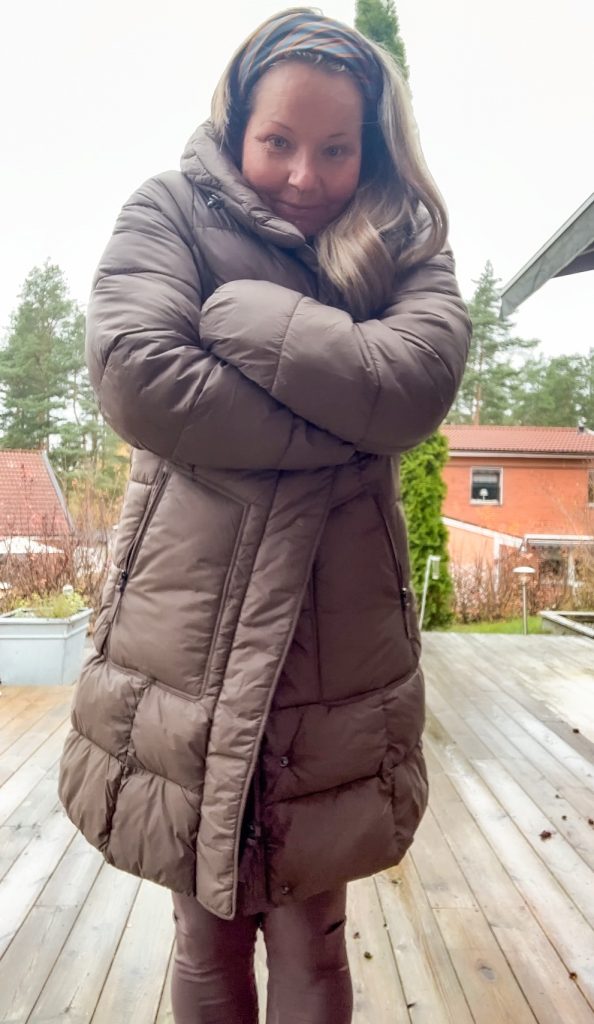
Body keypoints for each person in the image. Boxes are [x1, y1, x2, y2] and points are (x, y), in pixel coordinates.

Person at [58, 7, 471, 1023]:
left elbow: (415, 383)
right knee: (203, 936)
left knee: (315, 940)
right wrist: (346, 422)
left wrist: (248, 318)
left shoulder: (405, 243)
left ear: (373, 148)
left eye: (336, 149)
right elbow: (141, 376)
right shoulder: (166, 211)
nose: (302, 174)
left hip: (336, 655)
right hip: (185, 641)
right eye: (278, 140)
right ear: (237, 122)